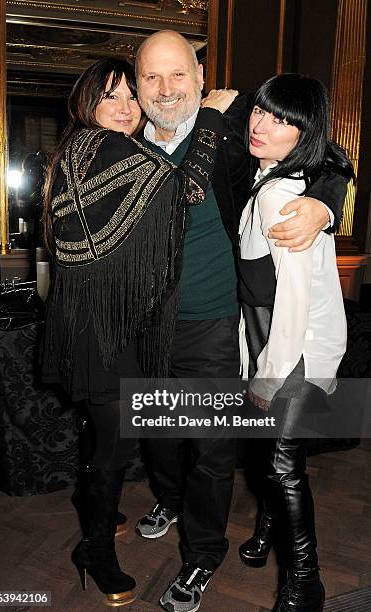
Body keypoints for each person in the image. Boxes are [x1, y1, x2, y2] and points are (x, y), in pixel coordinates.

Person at [133, 30, 350, 612]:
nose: (166, 88)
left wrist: (325, 202)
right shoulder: (121, 138)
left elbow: (328, 154)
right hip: (152, 329)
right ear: (136, 85)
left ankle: (205, 556)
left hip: (216, 325)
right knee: (160, 434)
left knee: (217, 449)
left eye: (179, 74)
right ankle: (176, 501)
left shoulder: (232, 134)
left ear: (202, 82)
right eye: (152, 76)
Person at [40, 56, 237, 607]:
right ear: (88, 104)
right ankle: (95, 552)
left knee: (107, 441)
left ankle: (101, 520)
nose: (125, 108)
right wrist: (212, 120)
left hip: (96, 320)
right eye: (111, 97)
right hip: (107, 331)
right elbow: (185, 192)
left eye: (132, 95)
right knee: (115, 448)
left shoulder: (79, 151)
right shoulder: (113, 150)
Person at [237, 73, 355, 612]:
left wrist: (270, 376)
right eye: (261, 111)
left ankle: (306, 581)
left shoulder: (283, 197)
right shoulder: (268, 180)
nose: (262, 125)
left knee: (283, 467)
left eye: (282, 120)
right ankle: (266, 533)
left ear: (303, 134)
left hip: (294, 350)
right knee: (271, 458)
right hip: (274, 342)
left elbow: (294, 306)